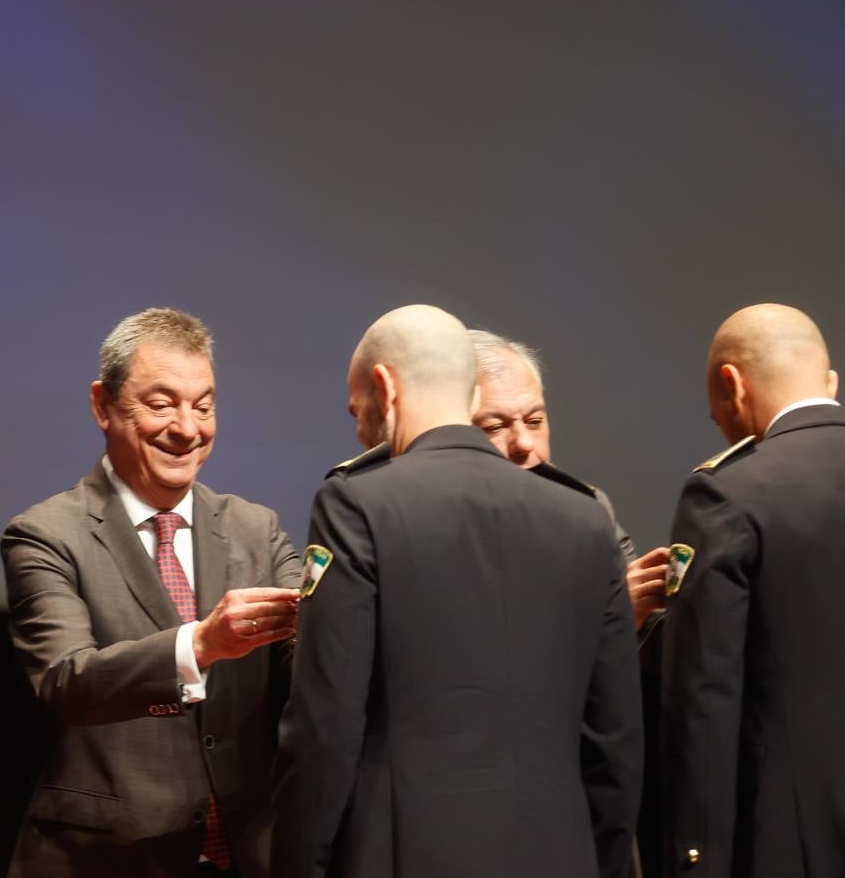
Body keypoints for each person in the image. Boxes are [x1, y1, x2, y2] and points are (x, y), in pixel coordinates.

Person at [273, 305, 643, 878]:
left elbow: (326, 726)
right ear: (472, 397)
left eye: (358, 411)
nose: (360, 428)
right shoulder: (585, 517)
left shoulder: (358, 504)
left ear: (384, 388)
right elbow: (614, 740)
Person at [1, 307, 301, 878]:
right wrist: (200, 645)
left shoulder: (254, 530)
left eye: (204, 406)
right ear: (103, 405)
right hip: (105, 860)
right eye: (161, 405)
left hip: (246, 853)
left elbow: (309, 660)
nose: (187, 429)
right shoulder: (46, 534)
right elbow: (67, 680)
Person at [468, 328, 668, 875]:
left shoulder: (589, 509)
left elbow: (641, 649)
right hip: (485, 811)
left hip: (587, 801)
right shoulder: (430, 527)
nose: (524, 445)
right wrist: (601, 624)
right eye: (494, 426)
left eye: (534, 420)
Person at [661, 303, 845, 877]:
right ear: (830, 381)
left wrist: (698, 857)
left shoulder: (728, 494)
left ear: (730, 385)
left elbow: (704, 700)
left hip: (791, 840)